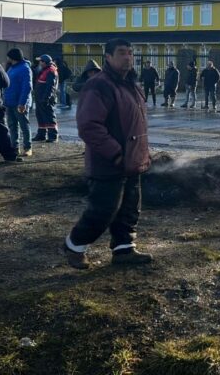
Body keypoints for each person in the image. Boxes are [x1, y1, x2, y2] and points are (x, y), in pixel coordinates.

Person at [63, 38, 152, 269]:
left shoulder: (132, 84)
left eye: (131, 52)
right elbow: (89, 126)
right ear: (108, 57)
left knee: (129, 209)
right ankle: (74, 246)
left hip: (132, 160)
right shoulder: (99, 85)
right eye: (122, 52)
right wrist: (116, 154)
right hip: (108, 163)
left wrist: (139, 155)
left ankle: (124, 250)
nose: (128, 57)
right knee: (103, 211)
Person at [5, 48, 34, 157]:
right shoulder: (12, 68)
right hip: (10, 102)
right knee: (12, 126)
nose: (7, 58)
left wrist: (22, 103)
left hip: (19, 103)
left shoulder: (24, 68)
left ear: (12, 57)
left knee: (24, 126)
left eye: (8, 56)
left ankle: (27, 147)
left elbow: (27, 87)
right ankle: (14, 147)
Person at [33, 54, 59, 142]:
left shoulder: (51, 71)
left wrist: (46, 98)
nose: (39, 63)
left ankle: (53, 136)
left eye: (40, 61)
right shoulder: (44, 70)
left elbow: (50, 87)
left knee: (49, 116)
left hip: (46, 98)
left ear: (44, 62)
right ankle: (41, 135)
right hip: (40, 98)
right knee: (40, 116)